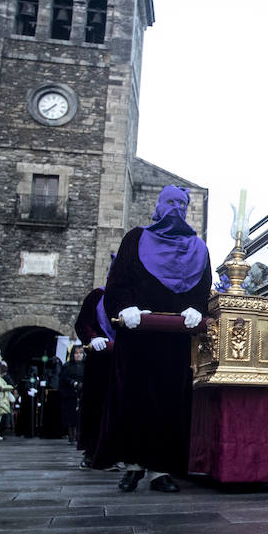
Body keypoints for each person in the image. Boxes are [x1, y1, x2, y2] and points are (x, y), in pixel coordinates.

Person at [93, 186, 211, 493]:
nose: (176, 208)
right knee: (134, 399)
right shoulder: (135, 238)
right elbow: (117, 282)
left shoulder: (199, 248)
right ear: (159, 206)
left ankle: (161, 470)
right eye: (170, 202)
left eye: (181, 204)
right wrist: (124, 307)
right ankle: (133, 465)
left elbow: (203, 291)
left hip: (174, 340)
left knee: (169, 402)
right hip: (137, 336)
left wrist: (195, 310)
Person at [73, 287, 113, 468]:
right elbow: (83, 322)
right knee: (96, 404)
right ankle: (92, 451)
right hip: (99, 359)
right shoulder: (98, 295)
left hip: (126, 358)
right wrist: (92, 337)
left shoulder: (136, 295)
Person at [59, 344, 85, 448]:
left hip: (83, 393)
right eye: (76, 353)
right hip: (70, 394)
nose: (78, 355)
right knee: (71, 417)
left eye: (80, 353)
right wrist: (73, 383)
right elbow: (63, 378)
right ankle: (71, 437)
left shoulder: (86, 365)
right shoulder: (67, 366)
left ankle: (81, 437)